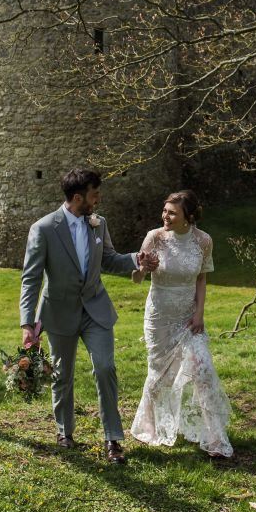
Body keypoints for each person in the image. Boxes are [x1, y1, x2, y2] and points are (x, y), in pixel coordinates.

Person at [19, 168, 158, 464]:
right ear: (78, 197)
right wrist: (27, 323)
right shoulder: (43, 229)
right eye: (95, 194)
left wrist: (136, 259)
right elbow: (30, 279)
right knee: (63, 375)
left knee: (106, 367)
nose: (98, 200)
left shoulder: (99, 224)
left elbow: (108, 259)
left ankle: (112, 439)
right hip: (59, 312)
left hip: (96, 308)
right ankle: (64, 432)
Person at [130, 190, 233, 459]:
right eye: (164, 211)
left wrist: (199, 314)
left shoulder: (203, 241)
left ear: (188, 216)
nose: (165, 216)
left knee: (203, 371)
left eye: (172, 212)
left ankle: (214, 438)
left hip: (189, 317)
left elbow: (201, 279)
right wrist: (144, 269)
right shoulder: (155, 237)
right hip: (159, 317)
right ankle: (151, 427)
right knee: (159, 374)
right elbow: (136, 278)